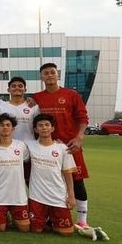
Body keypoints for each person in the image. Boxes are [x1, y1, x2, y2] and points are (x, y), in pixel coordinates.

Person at [32, 62, 90, 228]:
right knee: (51, 182)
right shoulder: (37, 97)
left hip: (71, 147)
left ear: (57, 75)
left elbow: (83, 118)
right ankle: (52, 216)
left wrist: (79, 138)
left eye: (52, 72)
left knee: (77, 181)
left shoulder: (71, 94)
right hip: (47, 148)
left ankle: (82, 220)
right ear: (41, 77)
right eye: (46, 73)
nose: (49, 75)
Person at [26, 113, 76, 236]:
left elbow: (68, 174)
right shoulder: (28, 145)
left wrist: (71, 195)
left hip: (57, 196)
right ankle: (46, 221)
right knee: (36, 230)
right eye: (40, 125)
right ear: (35, 129)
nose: (44, 128)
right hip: (37, 196)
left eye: (47, 125)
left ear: (52, 128)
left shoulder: (62, 148)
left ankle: (51, 221)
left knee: (66, 233)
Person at [0, 113, 30, 233]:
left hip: (18, 196)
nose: (5, 127)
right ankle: (5, 217)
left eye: (8, 125)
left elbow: (26, 159)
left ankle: (14, 217)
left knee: (24, 229)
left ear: (13, 128)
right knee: (0, 229)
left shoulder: (20, 146)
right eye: (2, 125)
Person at [0, 76, 39, 142]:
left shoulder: (33, 106)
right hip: (7, 145)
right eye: (13, 86)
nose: (17, 88)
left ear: (25, 90)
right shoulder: (0, 107)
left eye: (20, 86)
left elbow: (38, 127)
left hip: (29, 145)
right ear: (8, 90)